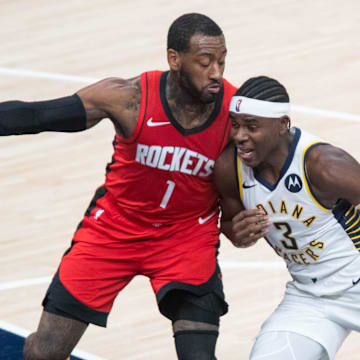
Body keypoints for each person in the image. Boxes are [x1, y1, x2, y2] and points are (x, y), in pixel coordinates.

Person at [0, 13, 244, 360]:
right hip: (115, 228)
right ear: (174, 59)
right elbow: (38, 116)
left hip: (186, 237)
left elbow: (271, 164)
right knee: (44, 353)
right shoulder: (129, 99)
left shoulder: (236, 114)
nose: (217, 72)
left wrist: (241, 229)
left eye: (222, 61)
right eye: (205, 62)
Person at [214, 76, 360, 360]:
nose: (239, 135)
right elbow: (231, 225)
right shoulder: (229, 168)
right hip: (309, 298)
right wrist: (238, 233)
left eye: (251, 126)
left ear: (282, 124)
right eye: (235, 124)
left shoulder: (323, 166)